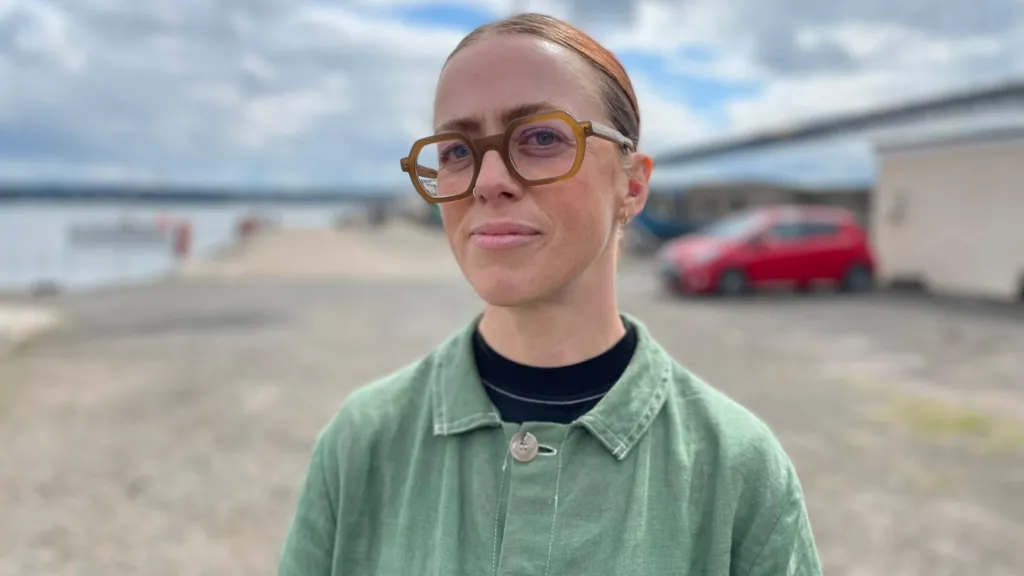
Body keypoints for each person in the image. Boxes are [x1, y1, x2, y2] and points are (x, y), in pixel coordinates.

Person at [278, 12, 822, 576]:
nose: (488, 181)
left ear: (631, 185)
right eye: (456, 152)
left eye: (540, 138)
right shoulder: (363, 442)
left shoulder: (736, 469)